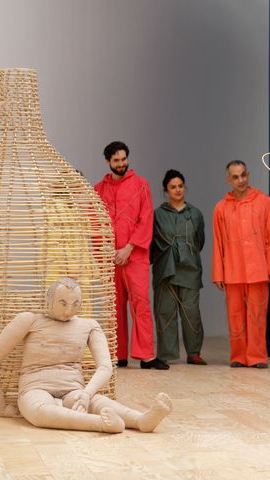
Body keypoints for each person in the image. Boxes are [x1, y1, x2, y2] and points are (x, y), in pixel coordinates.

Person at [0, 278, 173, 433]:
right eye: (62, 303)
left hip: (74, 389)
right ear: (49, 301)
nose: (68, 310)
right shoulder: (29, 320)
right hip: (35, 387)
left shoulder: (89, 325)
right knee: (39, 412)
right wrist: (1, 407)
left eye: (75, 304)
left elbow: (105, 367)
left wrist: (86, 394)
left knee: (99, 401)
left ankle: (141, 420)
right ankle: (99, 424)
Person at [94, 141, 168, 370]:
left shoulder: (141, 185)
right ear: (108, 162)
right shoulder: (98, 190)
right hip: (110, 258)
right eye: (116, 160)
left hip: (134, 256)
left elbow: (146, 220)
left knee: (141, 304)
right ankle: (118, 355)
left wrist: (128, 248)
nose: (121, 164)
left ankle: (146, 355)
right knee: (114, 307)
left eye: (124, 159)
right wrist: (107, 251)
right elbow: (95, 222)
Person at [212, 160, 270, 368]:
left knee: (257, 313)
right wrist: (218, 273)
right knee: (235, 315)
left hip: (258, 269)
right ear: (228, 179)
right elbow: (218, 242)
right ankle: (239, 356)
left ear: (248, 174)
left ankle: (257, 356)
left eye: (243, 175)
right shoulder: (221, 208)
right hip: (232, 270)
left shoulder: (264, 202)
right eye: (235, 177)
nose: (240, 180)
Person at [150, 169, 207, 365]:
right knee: (165, 312)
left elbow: (199, 241)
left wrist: (185, 252)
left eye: (180, 186)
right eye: (173, 187)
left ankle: (194, 353)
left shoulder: (195, 214)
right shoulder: (157, 215)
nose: (177, 190)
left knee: (192, 313)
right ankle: (166, 355)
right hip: (165, 269)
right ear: (165, 190)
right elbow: (152, 243)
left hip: (190, 269)